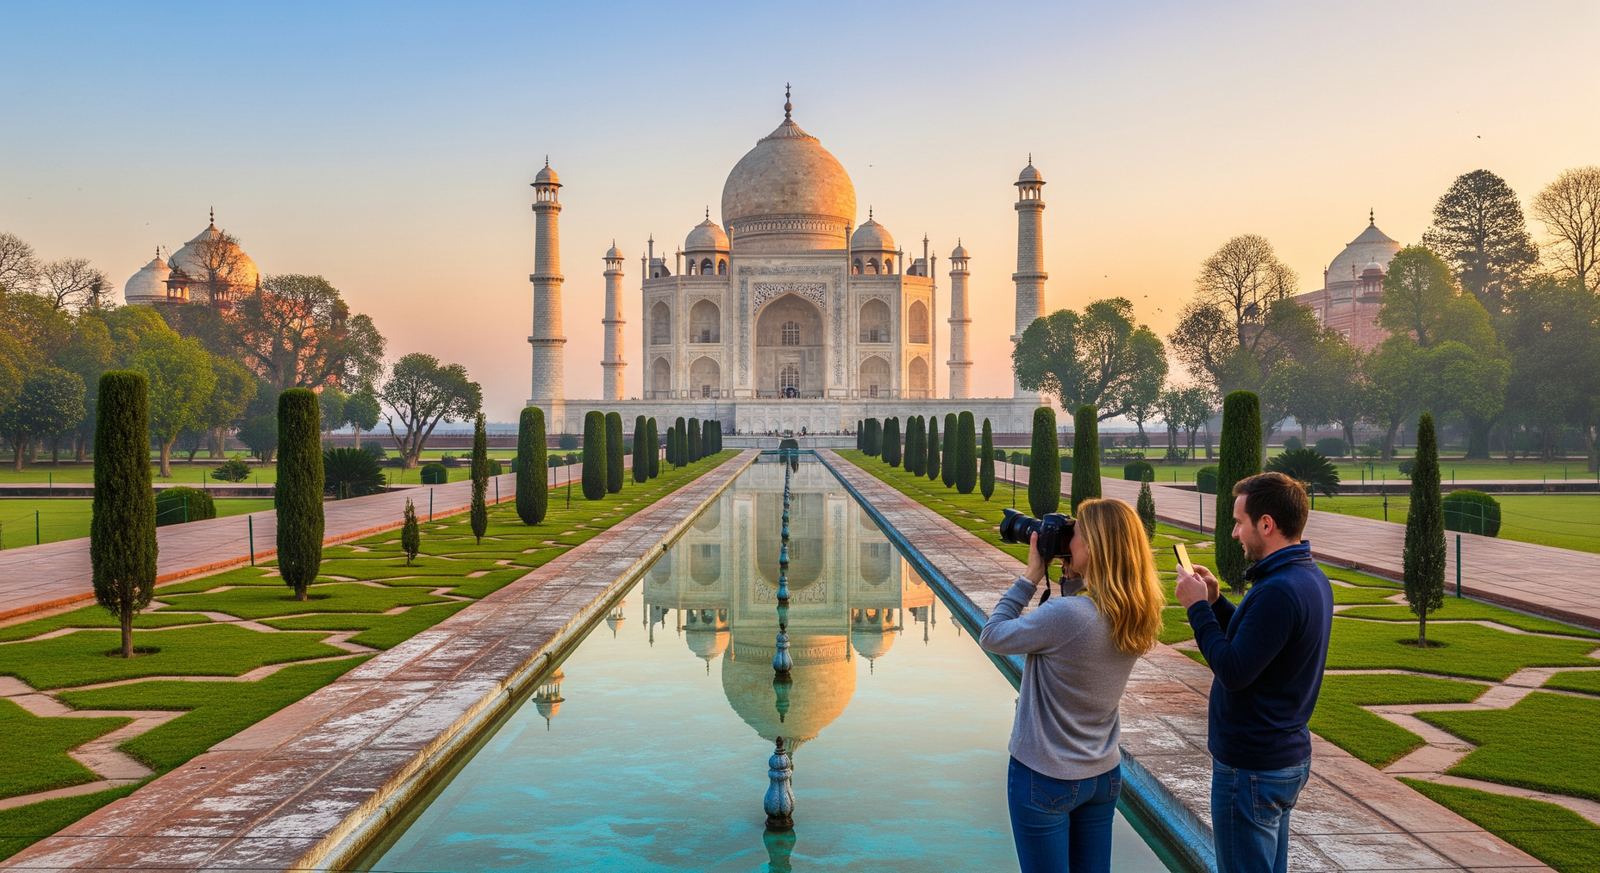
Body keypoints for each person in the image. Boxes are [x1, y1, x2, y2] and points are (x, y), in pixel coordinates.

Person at [980, 499, 1166, 873]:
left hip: (1046, 775)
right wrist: (1073, 579)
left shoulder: (1067, 615)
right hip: (1101, 774)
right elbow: (1077, 632)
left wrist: (1030, 577)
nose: (1068, 541)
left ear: (1094, 547)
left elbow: (992, 635)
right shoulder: (1134, 610)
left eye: (1075, 534)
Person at [1175, 472, 1334, 873]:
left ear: (1266, 524)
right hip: (1280, 757)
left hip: (1252, 768)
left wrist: (1196, 610)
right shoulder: (1306, 577)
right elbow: (1258, 645)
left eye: (1239, 522)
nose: (1234, 533)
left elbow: (1234, 669)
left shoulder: (1278, 589)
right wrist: (1215, 602)